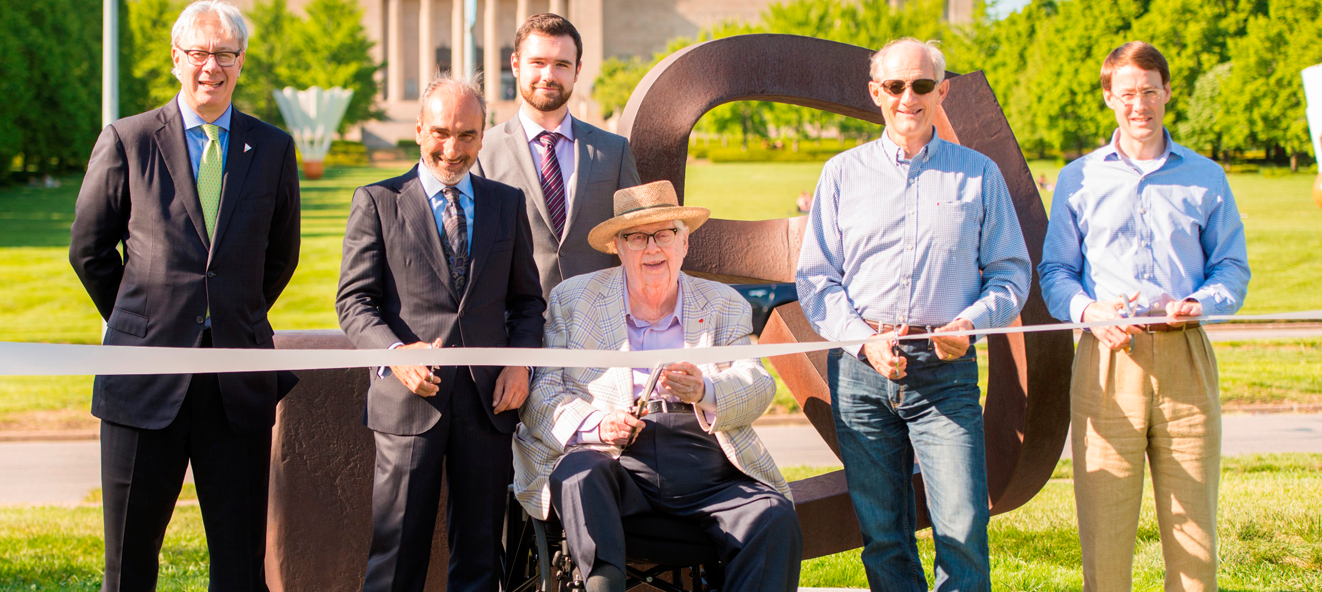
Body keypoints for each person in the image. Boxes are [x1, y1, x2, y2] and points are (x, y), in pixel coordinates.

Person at [69, 0, 301, 592]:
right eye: (199, 52)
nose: (211, 66)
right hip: (143, 380)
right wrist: (142, 320)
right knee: (129, 559)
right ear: (176, 58)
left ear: (241, 63)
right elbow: (89, 251)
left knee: (239, 562)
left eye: (225, 54)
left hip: (236, 383)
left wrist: (230, 314)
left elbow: (280, 257)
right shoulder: (128, 140)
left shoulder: (272, 148)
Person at [795, 37, 1031, 591]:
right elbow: (817, 279)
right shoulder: (841, 174)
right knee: (883, 538)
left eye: (922, 85)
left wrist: (970, 324)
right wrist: (862, 341)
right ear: (876, 92)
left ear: (941, 91)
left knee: (963, 532)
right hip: (860, 373)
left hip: (946, 373)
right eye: (896, 86)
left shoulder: (979, 175)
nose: (909, 97)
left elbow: (1011, 273)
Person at [513, 180, 803, 592]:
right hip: (613, 458)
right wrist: (597, 425)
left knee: (772, 517)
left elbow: (756, 383)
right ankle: (601, 584)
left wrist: (705, 388)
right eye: (636, 237)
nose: (653, 248)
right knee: (578, 474)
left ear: (684, 244)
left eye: (665, 234)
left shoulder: (722, 303)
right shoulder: (573, 300)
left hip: (704, 458)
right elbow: (541, 394)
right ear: (617, 246)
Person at [1038, 41, 1249, 592]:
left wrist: (1202, 303)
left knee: (1196, 539)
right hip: (1107, 360)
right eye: (1127, 93)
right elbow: (1055, 272)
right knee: (1105, 539)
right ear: (1109, 97)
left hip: (1187, 358)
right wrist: (1088, 312)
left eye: (1149, 92)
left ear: (1167, 93)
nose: (1140, 105)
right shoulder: (1077, 179)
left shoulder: (1207, 177)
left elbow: (1231, 267)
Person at [336, 74, 545, 592]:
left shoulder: (506, 203)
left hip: (487, 404)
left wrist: (520, 363)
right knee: (396, 556)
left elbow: (526, 302)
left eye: (467, 135)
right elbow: (354, 301)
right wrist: (395, 352)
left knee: (479, 559)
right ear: (418, 130)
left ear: (483, 134)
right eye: (441, 133)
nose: (453, 149)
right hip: (409, 403)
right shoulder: (378, 200)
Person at [475, 13, 640, 301]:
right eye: (537, 62)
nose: (548, 76)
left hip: (599, 324)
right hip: (513, 330)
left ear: (577, 71)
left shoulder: (614, 151)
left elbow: (636, 238)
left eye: (561, 65)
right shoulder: (482, 152)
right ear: (515, 64)